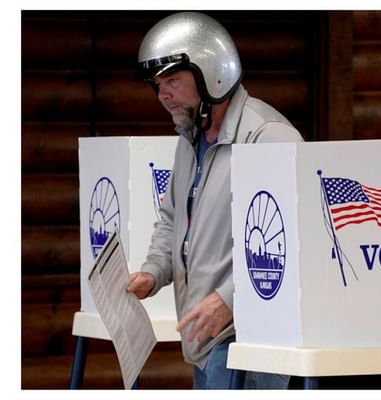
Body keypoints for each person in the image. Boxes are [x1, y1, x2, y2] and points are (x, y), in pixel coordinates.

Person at [126, 11, 303, 389]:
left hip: (249, 339)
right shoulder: (191, 141)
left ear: (213, 73)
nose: (163, 95)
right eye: (158, 85)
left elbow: (295, 244)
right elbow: (173, 220)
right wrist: (153, 271)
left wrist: (229, 300)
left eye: (172, 80)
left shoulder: (268, 137)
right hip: (207, 340)